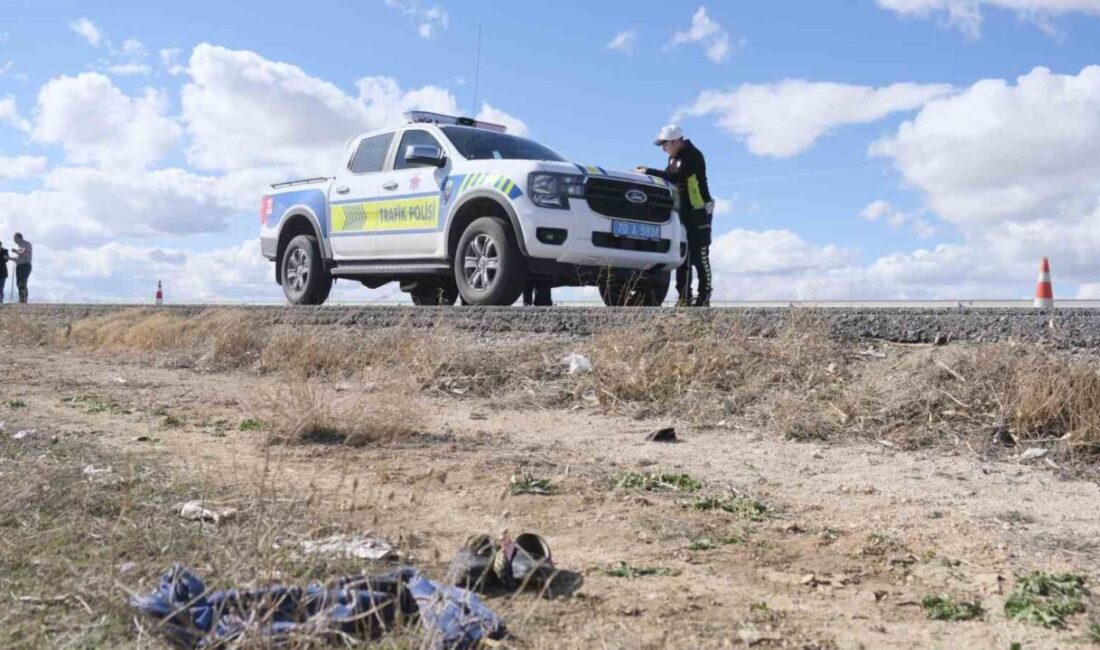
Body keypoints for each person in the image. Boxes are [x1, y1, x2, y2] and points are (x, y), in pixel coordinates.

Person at [637, 125, 715, 307]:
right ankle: (684, 297)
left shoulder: (693, 155)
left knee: (700, 256)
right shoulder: (673, 158)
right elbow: (668, 177)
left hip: (699, 212)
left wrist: (649, 171)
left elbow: (677, 177)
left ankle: (704, 297)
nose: (664, 149)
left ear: (676, 141)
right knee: (683, 257)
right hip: (681, 212)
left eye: (665, 144)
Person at [11, 232, 32, 304]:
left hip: (25, 266)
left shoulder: (26, 244)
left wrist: (16, 251)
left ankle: (23, 300)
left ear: (18, 238)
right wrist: (10, 258)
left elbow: (26, 254)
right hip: (19, 266)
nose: (14, 240)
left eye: (15, 238)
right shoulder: (19, 246)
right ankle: (21, 299)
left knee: (22, 283)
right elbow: (19, 258)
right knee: (18, 283)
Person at [0, 239, 8, 304]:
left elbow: (6, 260)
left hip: (3, 272)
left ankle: (1, 300)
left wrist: (5, 257)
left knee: (1, 287)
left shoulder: (5, 251)